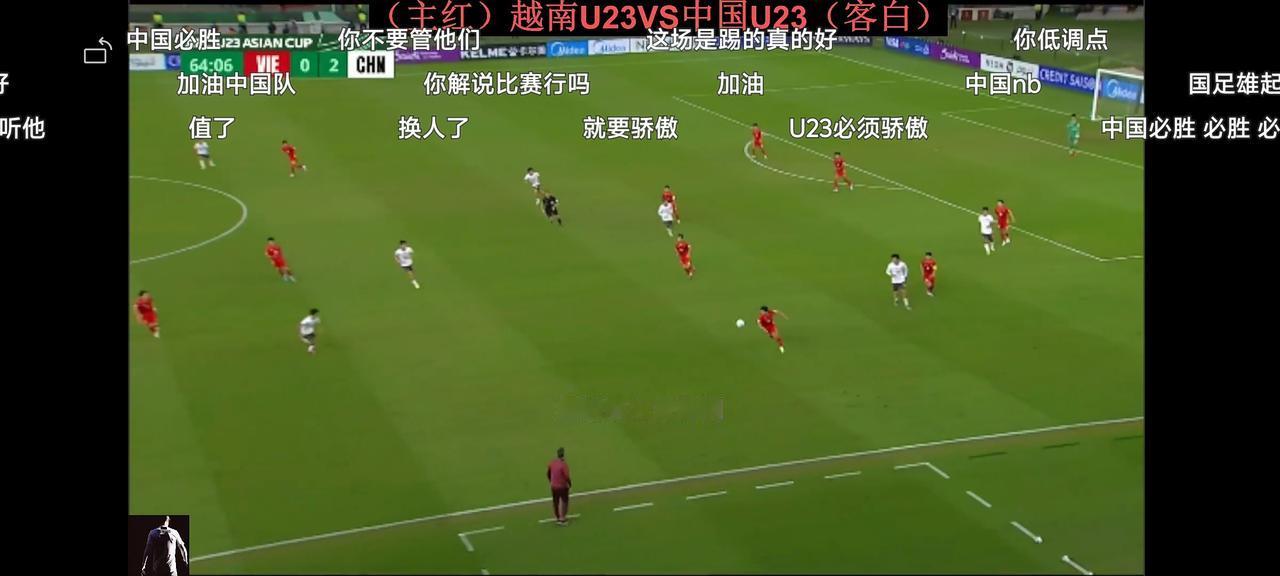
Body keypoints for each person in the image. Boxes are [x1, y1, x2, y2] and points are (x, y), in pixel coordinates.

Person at [547, 447, 572, 525]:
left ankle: (557, 517)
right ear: (563, 456)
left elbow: (548, 473)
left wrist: (551, 481)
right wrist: (569, 484)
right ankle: (562, 518)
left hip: (553, 486)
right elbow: (566, 476)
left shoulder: (552, 463)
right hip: (562, 486)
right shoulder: (564, 465)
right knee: (564, 501)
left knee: (556, 501)